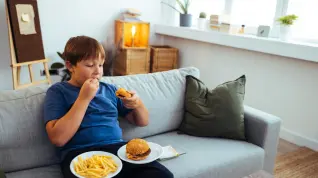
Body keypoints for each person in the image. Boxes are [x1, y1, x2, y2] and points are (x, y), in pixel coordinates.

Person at [43, 35, 174, 178]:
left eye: (100, 65)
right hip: (80, 155)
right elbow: (58, 138)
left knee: (163, 175)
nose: (97, 71)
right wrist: (84, 98)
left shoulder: (110, 90)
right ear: (70, 66)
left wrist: (137, 104)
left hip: (117, 149)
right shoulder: (58, 91)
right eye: (89, 65)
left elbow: (142, 121)